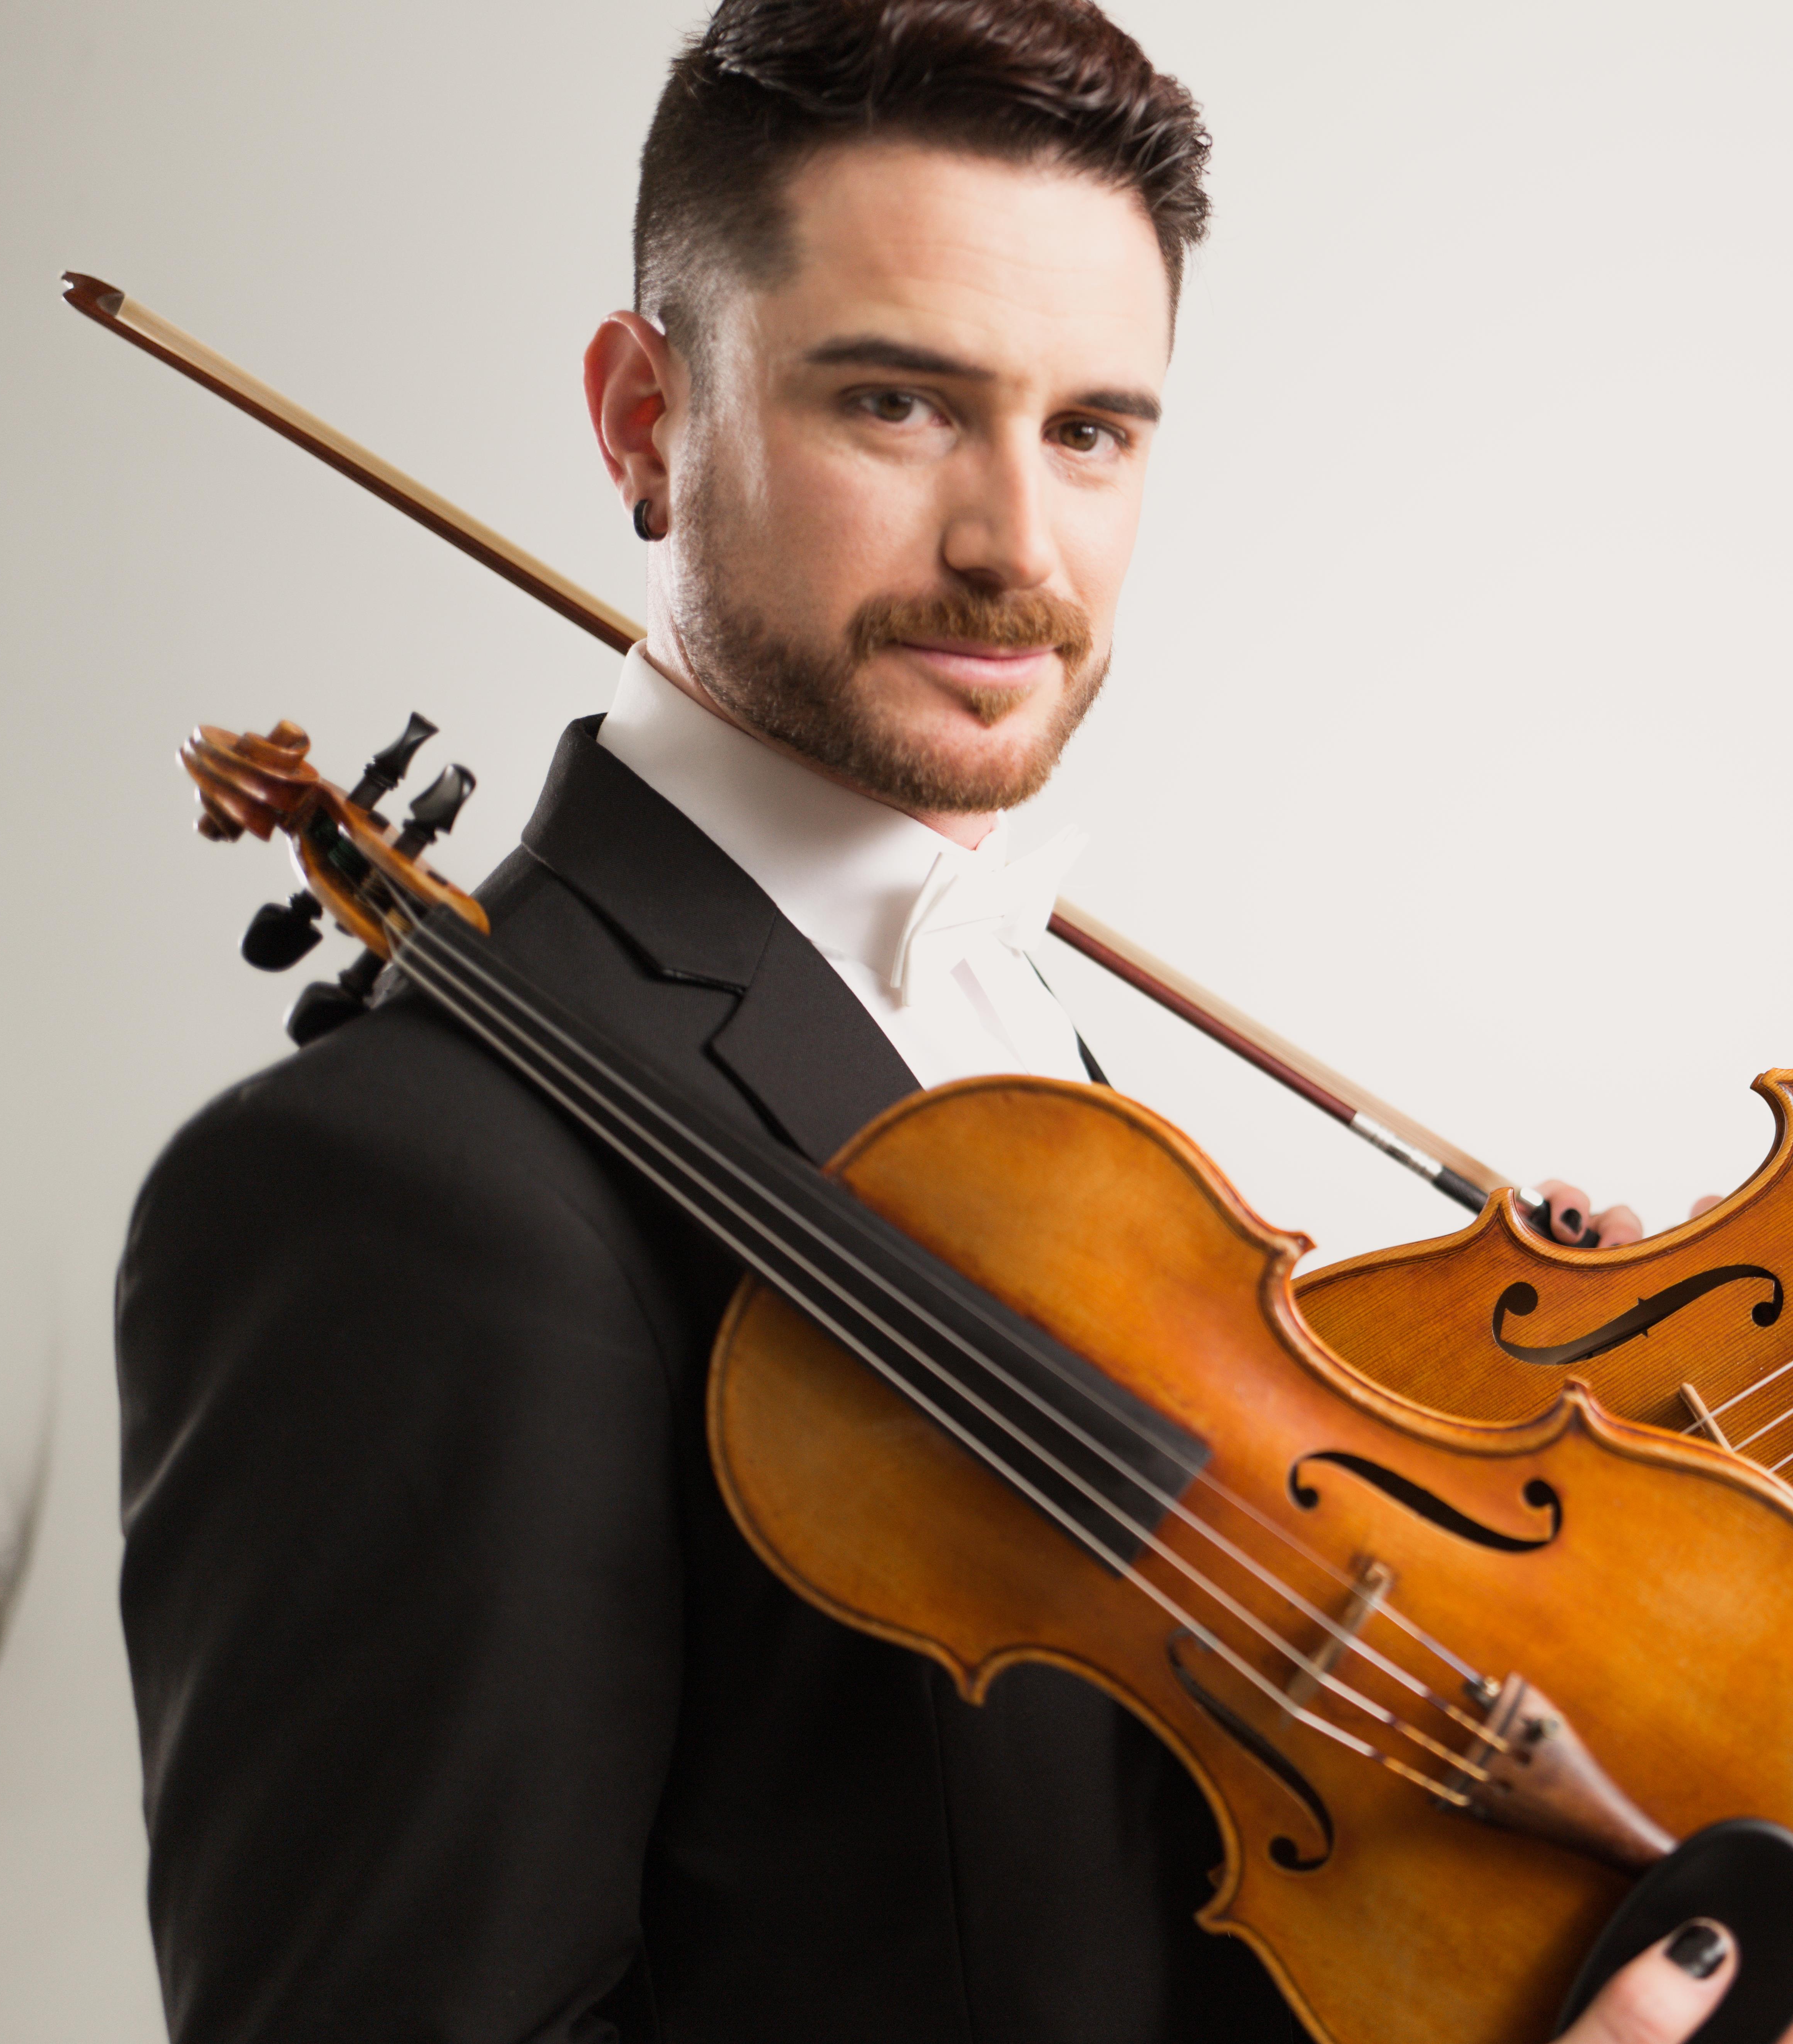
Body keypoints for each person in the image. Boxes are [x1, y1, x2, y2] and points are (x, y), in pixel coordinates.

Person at [112, 3, 1631, 2039]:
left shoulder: (1025, 1033)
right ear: (644, 420)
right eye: (900, 405)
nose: (1017, 546)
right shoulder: (393, 1183)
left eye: (1091, 431)